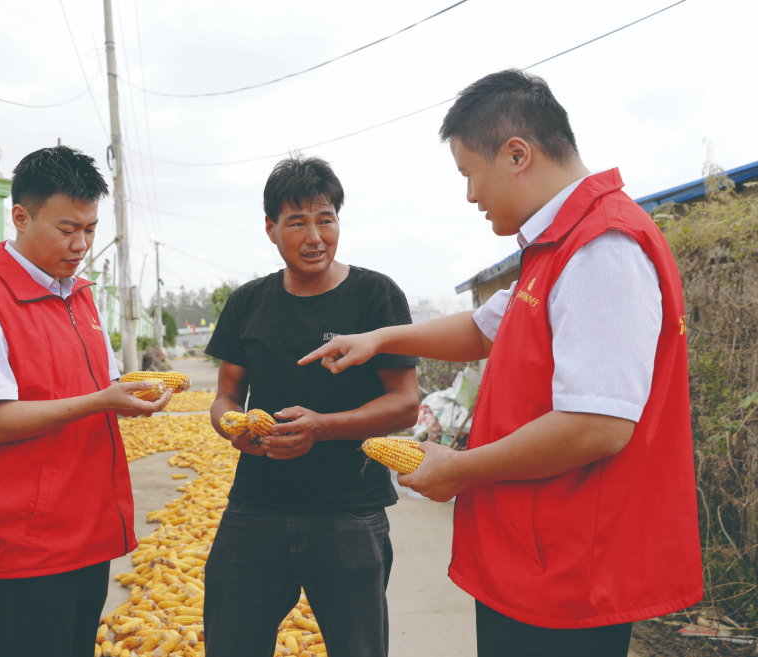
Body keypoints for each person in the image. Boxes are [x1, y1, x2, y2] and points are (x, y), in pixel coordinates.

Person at [301, 70, 702, 656]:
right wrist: (378, 338)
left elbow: (597, 425)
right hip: (532, 561)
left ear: (517, 154)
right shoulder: (556, 248)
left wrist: (457, 468)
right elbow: (482, 328)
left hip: (570, 575)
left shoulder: (603, 249)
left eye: (469, 174)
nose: (469, 195)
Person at [0, 146, 171, 657]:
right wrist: (99, 401)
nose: (82, 243)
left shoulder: (80, 295)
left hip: (90, 527)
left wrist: (124, 398)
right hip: (30, 541)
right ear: (20, 217)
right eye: (67, 229)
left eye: (90, 229)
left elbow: (100, 387)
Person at [202, 155, 420, 657]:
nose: (315, 236)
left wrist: (323, 427)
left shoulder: (376, 296)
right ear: (270, 229)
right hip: (255, 506)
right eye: (297, 222)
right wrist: (230, 426)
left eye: (326, 219)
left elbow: (405, 404)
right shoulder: (248, 302)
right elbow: (226, 397)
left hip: (350, 510)